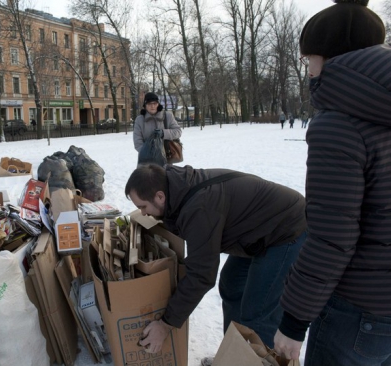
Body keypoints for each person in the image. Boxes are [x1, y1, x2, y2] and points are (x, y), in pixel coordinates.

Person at [273, 2, 391, 365]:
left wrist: (293, 322)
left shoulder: (338, 125)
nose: (309, 72)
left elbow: (332, 238)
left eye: (310, 60)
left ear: (335, 58)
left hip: (356, 313)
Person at [124, 164, 307, 355]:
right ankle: (234, 354)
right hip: (257, 231)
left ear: (160, 196)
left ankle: (256, 359)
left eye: (142, 207)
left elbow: (202, 274)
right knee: (231, 285)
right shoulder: (177, 189)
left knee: (258, 314)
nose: (143, 213)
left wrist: (166, 324)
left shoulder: (198, 208)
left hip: (287, 231)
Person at [133, 92, 182, 156]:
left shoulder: (167, 116)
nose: (152, 106)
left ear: (158, 104)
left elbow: (178, 132)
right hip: (147, 159)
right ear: (145, 105)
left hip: (167, 156)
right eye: (149, 104)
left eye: (155, 103)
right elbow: (137, 141)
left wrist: (163, 133)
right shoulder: (140, 120)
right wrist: (148, 153)